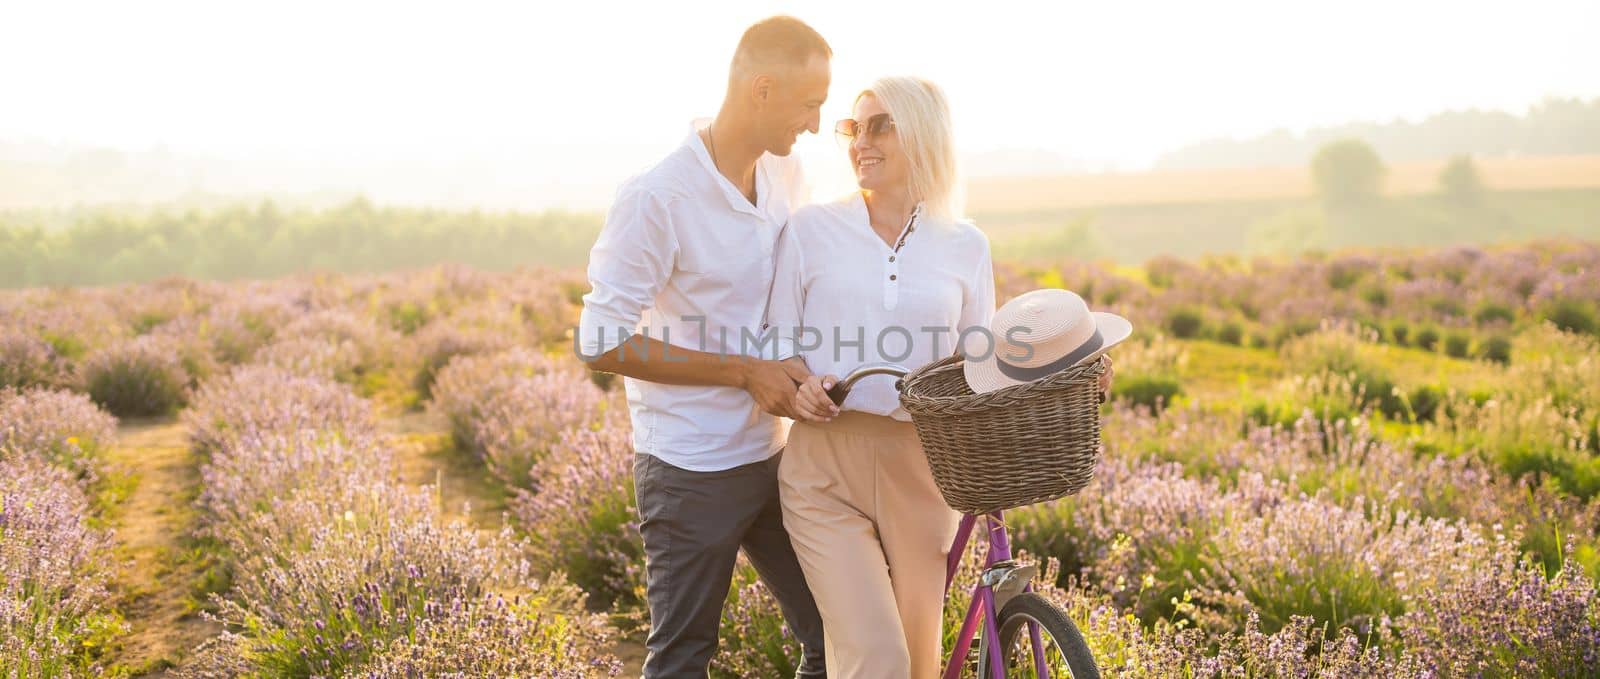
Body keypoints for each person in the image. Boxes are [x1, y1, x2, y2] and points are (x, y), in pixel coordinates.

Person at [767, 76, 1114, 678]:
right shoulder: (810, 230)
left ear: (922, 135)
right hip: (823, 466)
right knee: (875, 656)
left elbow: (980, 363)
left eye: (881, 126)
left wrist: (1076, 369)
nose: (860, 142)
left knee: (920, 664)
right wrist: (801, 384)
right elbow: (776, 337)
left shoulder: (964, 244)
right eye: (854, 127)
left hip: (924, 468)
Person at [575, 15, 830, 678]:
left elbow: (798, 286)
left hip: (776, 457)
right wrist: (744, 371)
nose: (815, 124)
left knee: (838, 635)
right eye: (810, 105)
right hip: (690, 470)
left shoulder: (787, 174)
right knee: (684, 658)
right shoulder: (657, 197)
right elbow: (599, 341)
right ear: (763, 90)